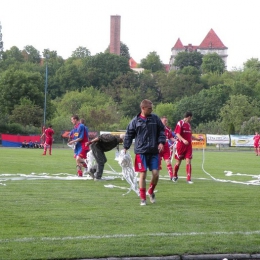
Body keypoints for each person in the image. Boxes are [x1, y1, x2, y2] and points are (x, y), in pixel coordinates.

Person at [123, 99, 166, 206]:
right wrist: (125, 147)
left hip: (153, 151)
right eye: (149, 108)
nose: (151, 110)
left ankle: (150, 192)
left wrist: (161, 142)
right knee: (143, 174)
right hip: (141, 151)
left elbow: (162, 130)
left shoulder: (155, 118)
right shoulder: (135, 121)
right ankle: (143, 198)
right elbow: (129, 135)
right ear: (143, 108)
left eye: (152, 108)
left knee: (155, 174)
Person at [172, 111, 202, 184]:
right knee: (178, 162)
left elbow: (190, 135)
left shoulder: (188, 125)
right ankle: (174, 175)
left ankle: (188, 179)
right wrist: (183, 140)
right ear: (189, 117)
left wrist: (198, 139)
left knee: (188, 161)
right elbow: (177, 134)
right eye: (191, 118)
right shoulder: (180, 123)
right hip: (181, 146)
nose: (191, 119)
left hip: (188, 146)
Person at [159, 116, 176, 180]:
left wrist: (177, 141)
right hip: (159, 147)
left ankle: (171, 176)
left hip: (166, 147)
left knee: (168, 161)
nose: (166, 122)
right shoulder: (157, 128)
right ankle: (155, 175)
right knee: (158, 163)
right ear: (161, 120)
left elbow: (170, 137)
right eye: (164, 120)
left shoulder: (168, 129)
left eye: (166, 121)